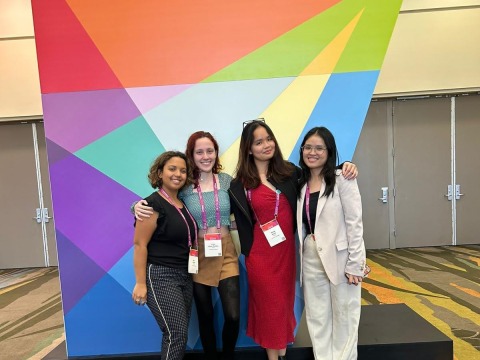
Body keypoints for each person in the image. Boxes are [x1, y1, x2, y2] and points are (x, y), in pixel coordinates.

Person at [228, 120, 357, 360]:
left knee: (283, 306)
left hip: (287, 253)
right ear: (248, 148)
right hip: (260, 254)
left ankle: (283, 353)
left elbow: (320, 172)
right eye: (258, 142)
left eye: (269, 139)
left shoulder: (289, 173)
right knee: (268, 307)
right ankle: (273, 357)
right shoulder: (239, 185)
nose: (266, 145)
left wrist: (345, 165)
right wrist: (141, 206)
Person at [135, 132, 240, 360]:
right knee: (205, 314)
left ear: (216, 153)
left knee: (232, 315)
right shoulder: (184, 185)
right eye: (199, 152)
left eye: (209, 151)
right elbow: (161, 201)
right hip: (197, 254)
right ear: (192, 155)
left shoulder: (226, 181)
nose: (205, 156)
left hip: (226, 250)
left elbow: (246, 204)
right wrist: (135, 206)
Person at [296, 127, 366, 360]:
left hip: (341, 258)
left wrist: (357, 263)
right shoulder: (300, 183)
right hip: (310, 256)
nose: (312, 152)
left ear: (329, 151)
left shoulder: (342, 179)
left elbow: (355, 223)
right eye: (308, 147)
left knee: (345, 317)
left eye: (319, 148)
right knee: (317, 319)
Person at [132, 151, 198, 360]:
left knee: (178, 334)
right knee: (175, 333)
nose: (178, 174)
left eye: (183, 170)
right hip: (161, 276)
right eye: (172, 169)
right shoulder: (151, 205)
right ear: (160, 173)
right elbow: (140, 245)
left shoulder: (181, 203)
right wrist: (140, 284)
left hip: (185, 276)